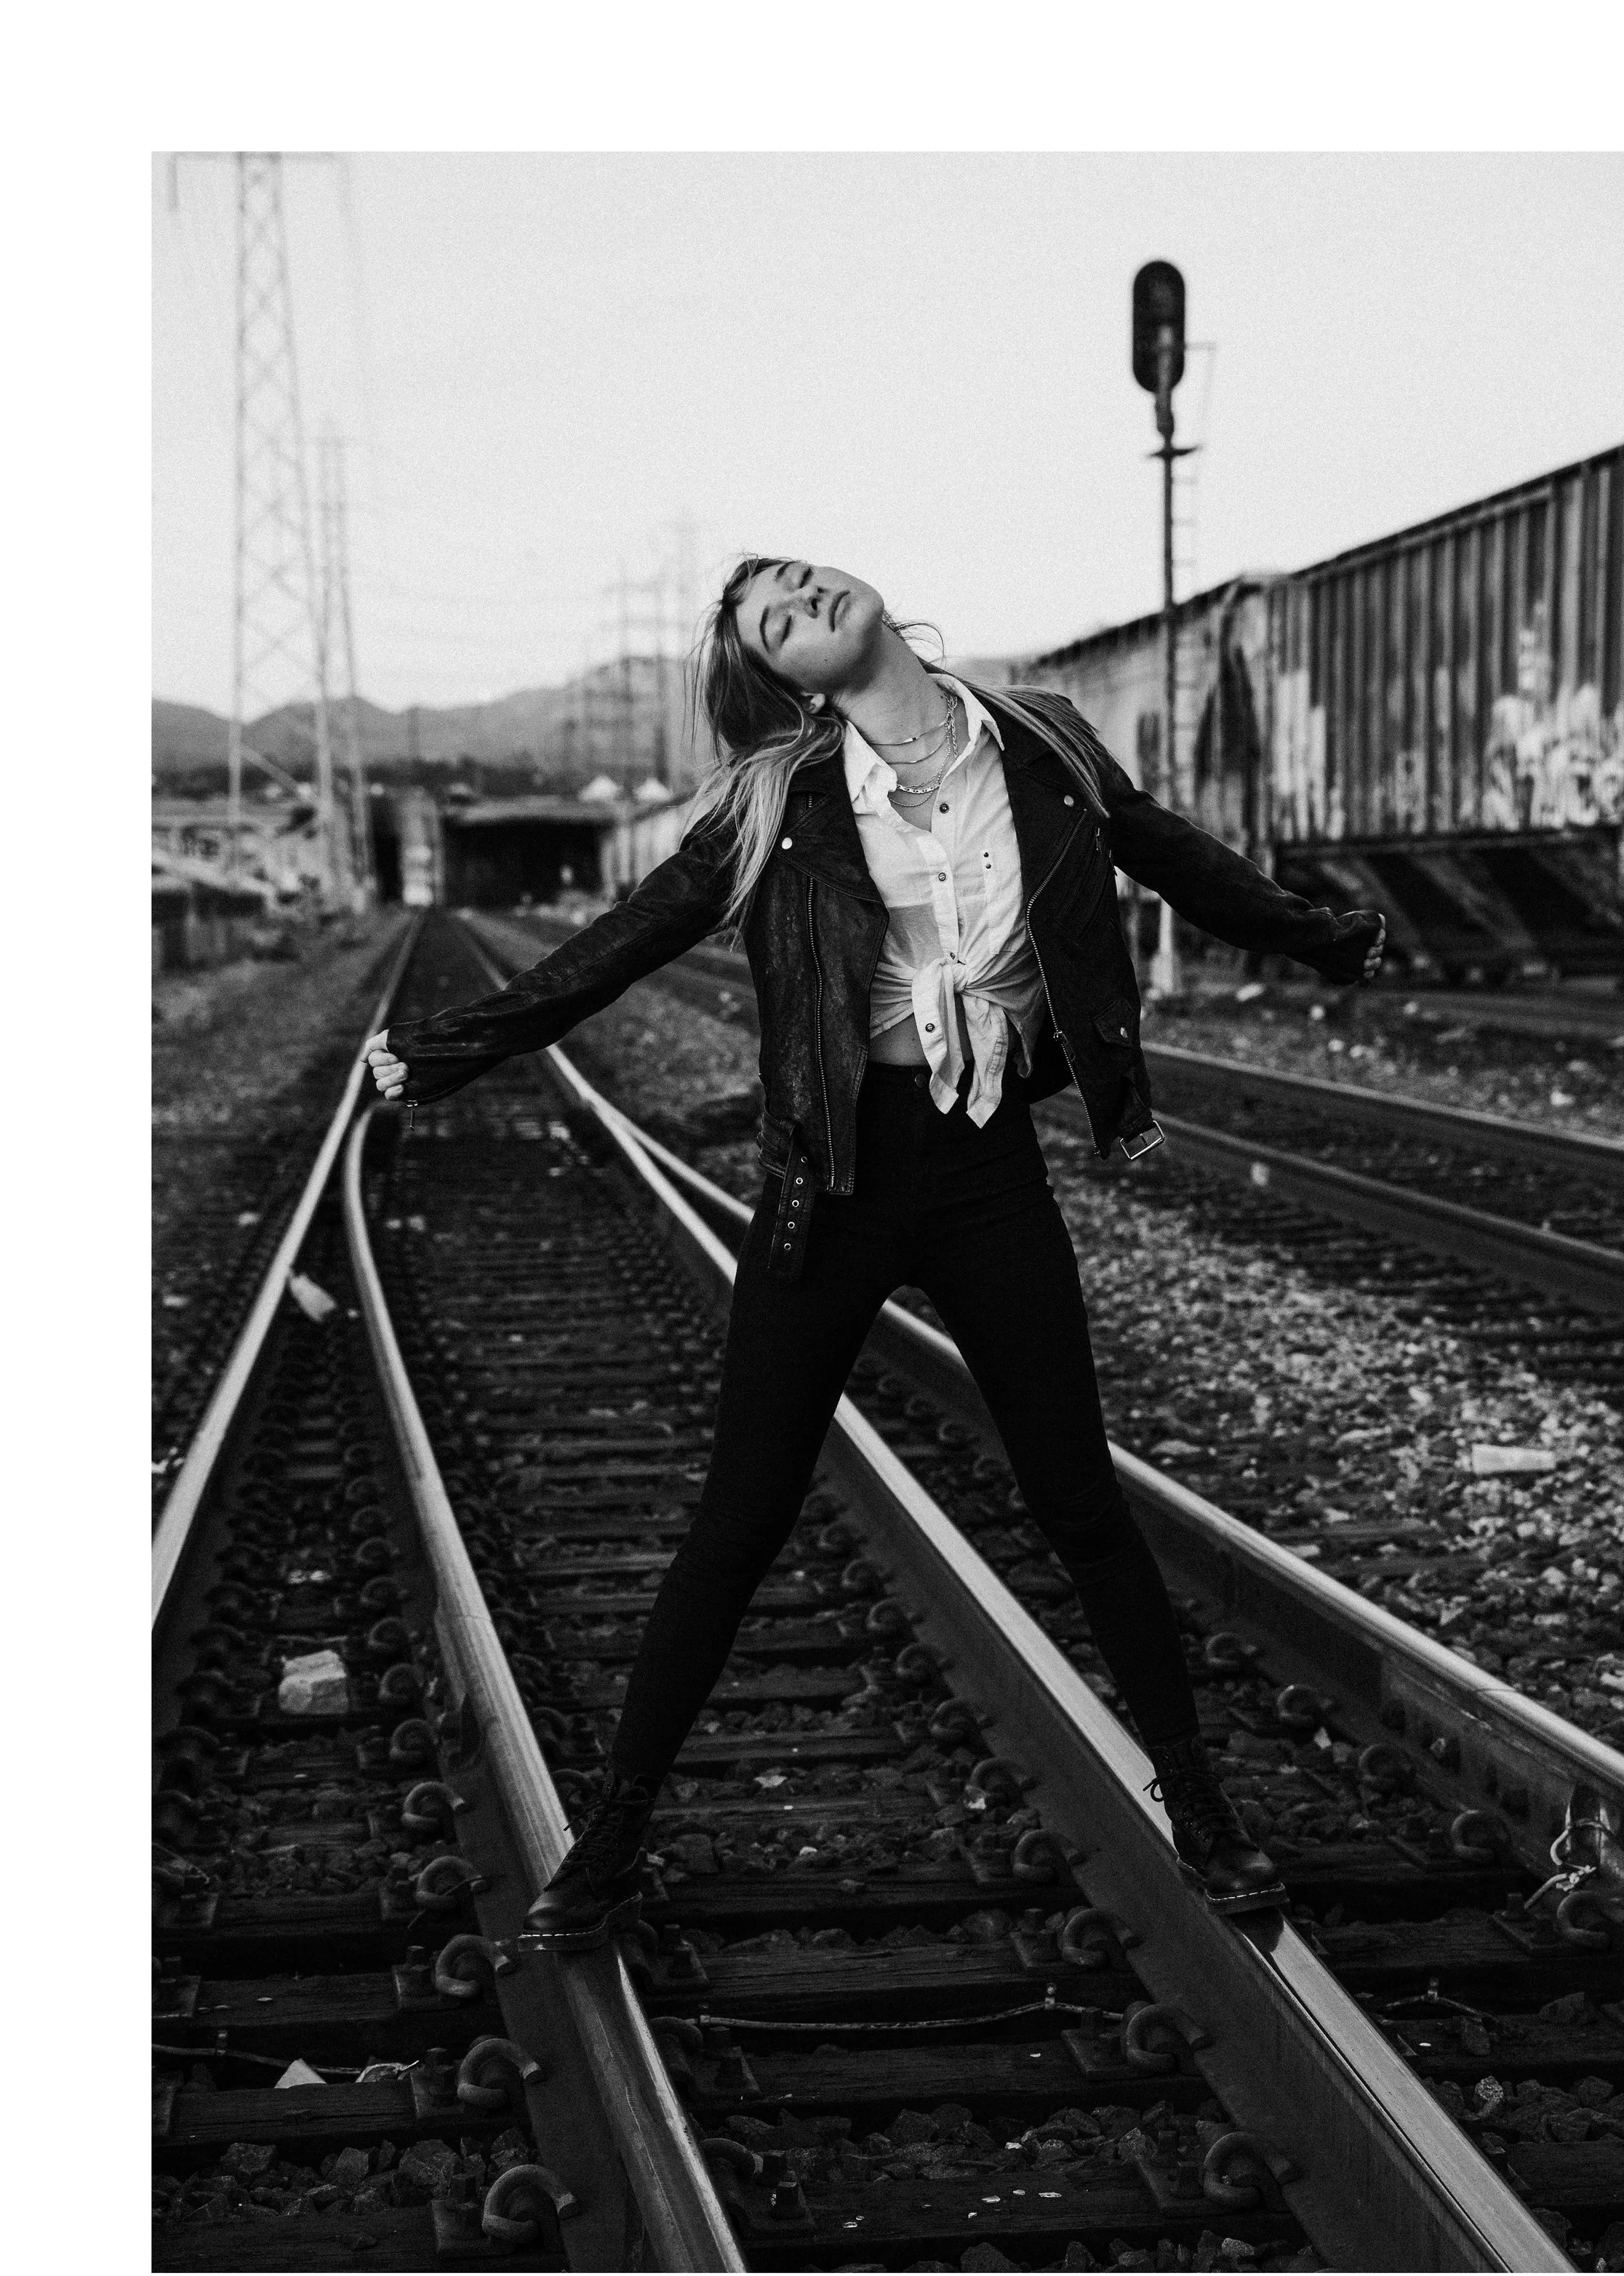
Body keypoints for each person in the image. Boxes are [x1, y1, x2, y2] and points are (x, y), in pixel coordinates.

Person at [365, 556, 1385, 1944]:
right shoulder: (775, 802)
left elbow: (1166, 850)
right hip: (831, 1183)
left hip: (984, 1176)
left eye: (795, 580)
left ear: (864, 591)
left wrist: (1330, 939)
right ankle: (611, 1838)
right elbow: (617, 945)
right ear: (782, 681)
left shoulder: (1043, 738)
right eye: (771, 624)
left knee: (1080, 1501)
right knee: (741, 1518)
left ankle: (1202, 1806)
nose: (793, 602)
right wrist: (441, 1053)